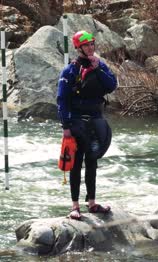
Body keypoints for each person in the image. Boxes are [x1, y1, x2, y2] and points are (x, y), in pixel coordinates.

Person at [57, 30, 117, 220]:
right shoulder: (70, 71)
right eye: (87, 45)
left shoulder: (100, 65)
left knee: (92, 161)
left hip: (96, 120)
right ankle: (75, 206)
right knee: (76, 163)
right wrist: (66, 127)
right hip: (76, 122)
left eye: (92, 44)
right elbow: (62, 100)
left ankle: (91, 202)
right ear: (79, 48)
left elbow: (111, 85)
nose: (91, 48)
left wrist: (98, 68)